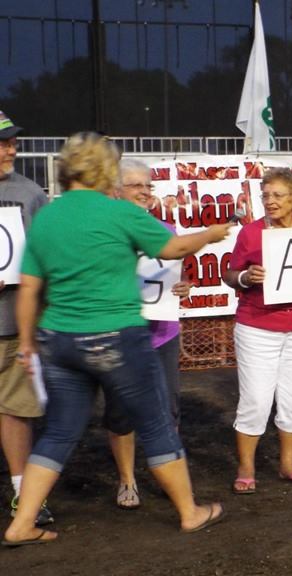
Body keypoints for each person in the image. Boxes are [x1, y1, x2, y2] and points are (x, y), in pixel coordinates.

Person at [5, 132, 231, 546]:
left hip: (58, 341)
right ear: (104, 169)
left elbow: (29, 286)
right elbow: (172, 248)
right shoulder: (117, 211)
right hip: (116, 336)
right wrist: (210, 235)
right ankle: (190, 512)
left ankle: (21, 524)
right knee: (156, 423)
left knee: (58, 432)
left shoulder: (48, 215)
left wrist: (26, 343)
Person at [223, 168, 292, 495]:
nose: (269, 201)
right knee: (256, 400)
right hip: (257, 327)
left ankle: (288, 464)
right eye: (266, 195)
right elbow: (230, 275)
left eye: (277, 195)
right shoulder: (251, 233)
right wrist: (246, 278)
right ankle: (246, 468)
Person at [105, 159, 193, 511]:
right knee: (121, 411)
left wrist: (183, 287)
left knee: (168, 409)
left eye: (148, 185)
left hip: (162, 333)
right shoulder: (104, 234)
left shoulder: (167, 230)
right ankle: (127, 480)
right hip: (119, 334)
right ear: (116, 191)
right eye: (136, 185)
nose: (144, 192)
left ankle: (170, 478)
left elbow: (177, 277)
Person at [0, 110, 51, 526]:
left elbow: (48, 255)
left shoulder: (30, 193)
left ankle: (23, 494)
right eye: (2, 144)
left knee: (15, 410)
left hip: (13, 326)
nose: (11, 150)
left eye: (12, 142)